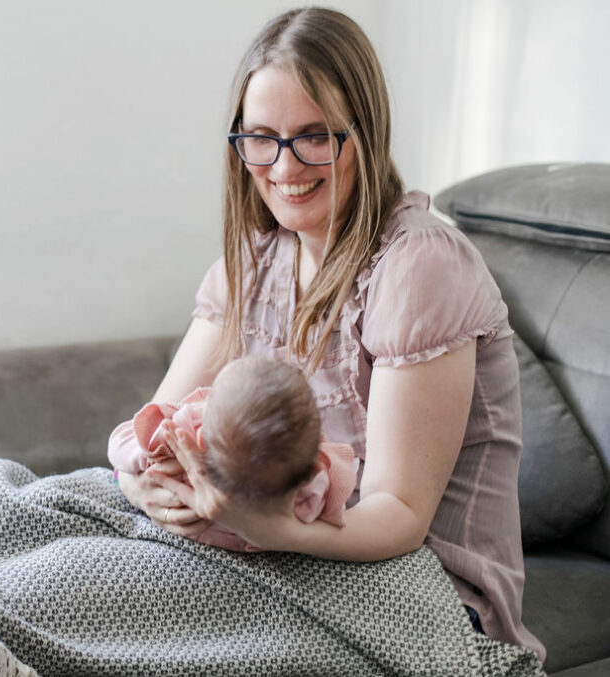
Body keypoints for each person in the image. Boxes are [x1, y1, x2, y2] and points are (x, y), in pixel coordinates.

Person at [113, 6, 545, 661]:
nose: (284, 165)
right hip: (283, 544)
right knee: (46, 520)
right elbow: (147, 427)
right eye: (260, 137)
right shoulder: (254, 262)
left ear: (362, 134)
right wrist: (137, 483)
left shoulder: (419, 265)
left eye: (314, 135)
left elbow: (397, 514)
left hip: (430, 592)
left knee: (121, 608)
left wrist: (263, 525)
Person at [108, 355, 357, 551]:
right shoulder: (309, 488)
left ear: (200, 436)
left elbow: (120, 442)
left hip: (175, 541)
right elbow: (325, 512)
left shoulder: (181, 429)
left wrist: (139, 465)